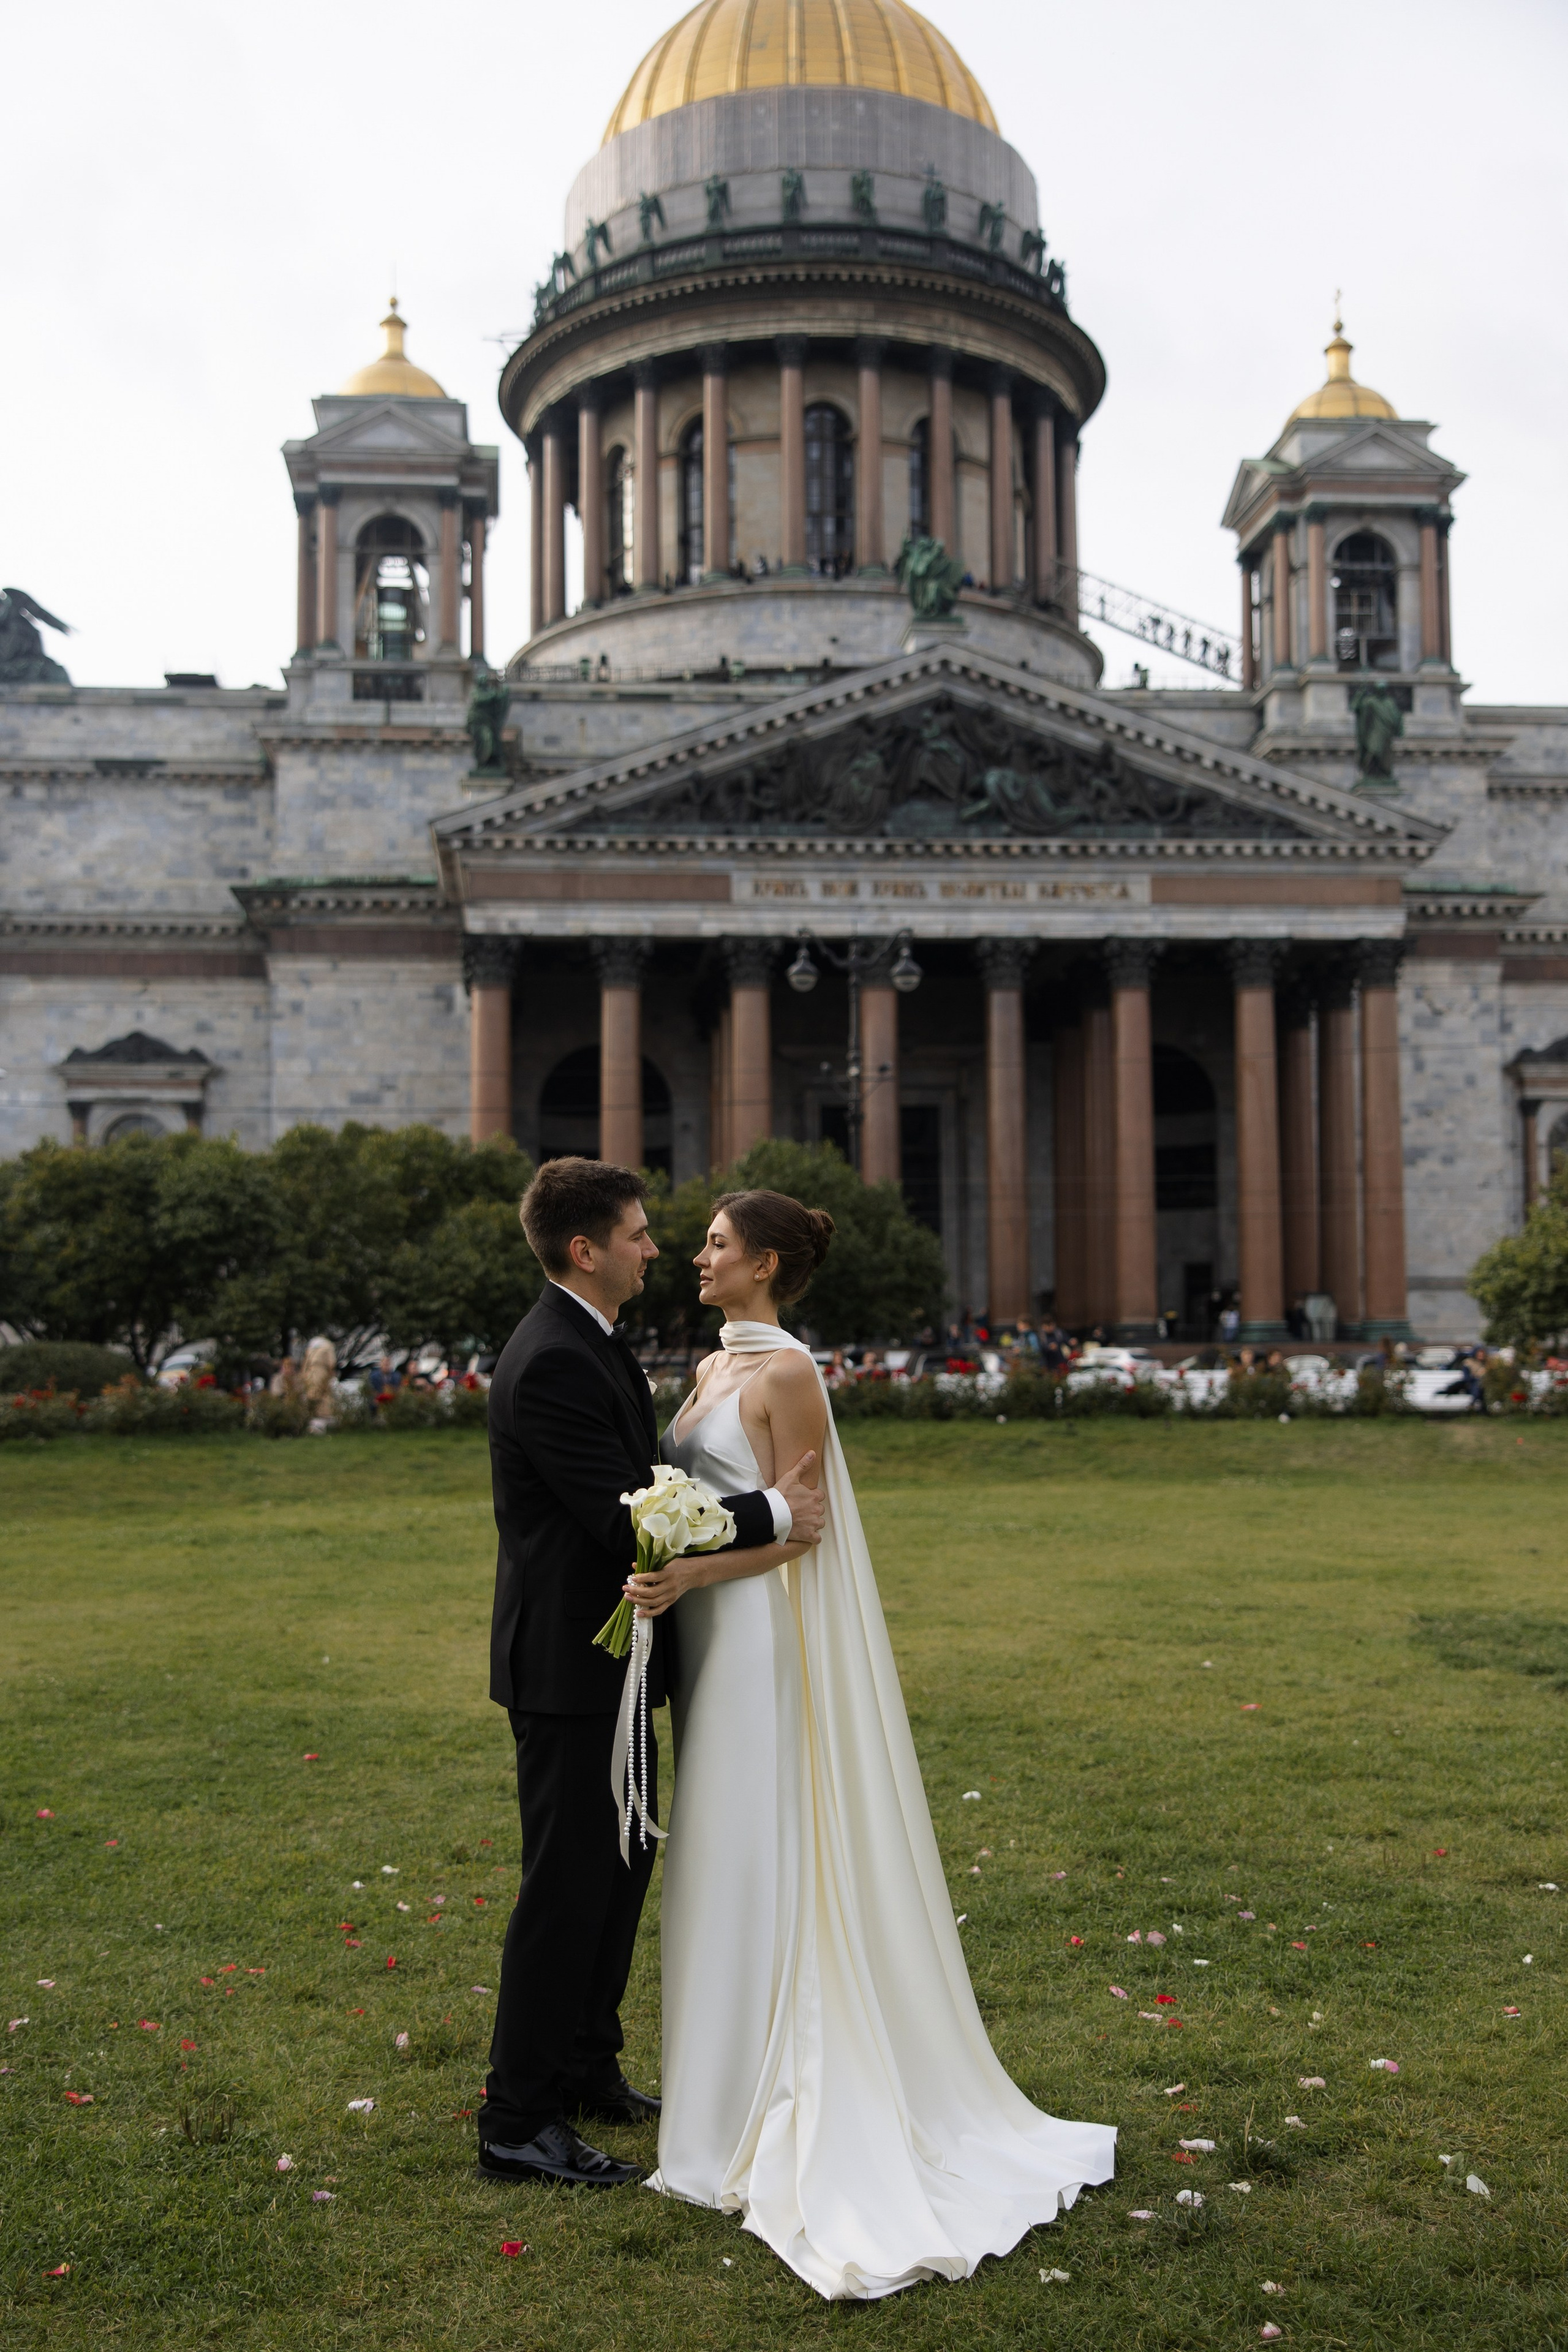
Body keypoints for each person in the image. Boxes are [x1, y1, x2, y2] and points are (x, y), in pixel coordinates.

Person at [630, 1189, 1116, 2298]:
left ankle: (771, 2097)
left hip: (759, 1633)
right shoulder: (710, 1367)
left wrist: (693, 1569)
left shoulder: (790, 1371)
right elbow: (726, 1496)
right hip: (706, 1631)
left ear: (765, 1264)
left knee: (759, 1840)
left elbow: (807, 1531)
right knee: (718, 1854)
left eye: (713, 1246)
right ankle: (713, 2100)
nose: (695, 1259)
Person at [478, 1158, 826, 2191]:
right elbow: (631, 1515)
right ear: (587, 1250)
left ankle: (588, 2064)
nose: (656, 1247)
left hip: (620, 1658)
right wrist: (772, 1515)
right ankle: (516, 2121)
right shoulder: (551, 1359)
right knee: (567, 1885)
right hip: (566, 1667)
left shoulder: (591, 1344)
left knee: (619, 1867)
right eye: (638, 1232)